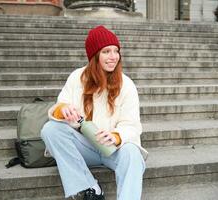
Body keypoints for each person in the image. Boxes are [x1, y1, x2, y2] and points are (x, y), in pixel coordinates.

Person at [41, 25, 148, 200]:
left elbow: (132, 125)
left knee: (133, 154)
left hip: (114, 149)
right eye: (106, 51)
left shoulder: (127, 84)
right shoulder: (77, 77)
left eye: (116, 51)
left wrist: (116, 136)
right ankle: (90, 186)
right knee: (50, 129)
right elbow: (60, 104)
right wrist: (63, 110)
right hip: (85, 147)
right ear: (94, 56)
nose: (113, 57)